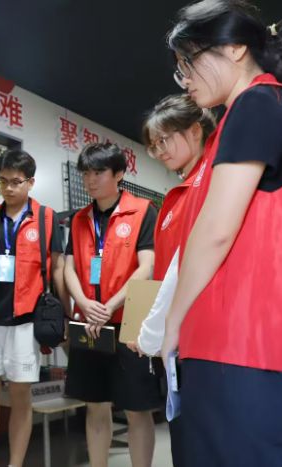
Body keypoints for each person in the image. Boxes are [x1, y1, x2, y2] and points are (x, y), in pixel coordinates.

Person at [160, 2, 282, 466]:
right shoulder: (258, 109)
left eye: (189, 62)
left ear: (236, 48)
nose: (184, 79)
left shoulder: (258, 103)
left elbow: (216, 230)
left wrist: (172, 322)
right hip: (249, 345)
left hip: (240, 344)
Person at [126, 94, 216, 467]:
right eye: (154, 144)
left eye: (165, 139)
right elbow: (165, 273)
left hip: (202, 336)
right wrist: (146, 328)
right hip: (175, 339)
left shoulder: (210, 182)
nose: (159, 150)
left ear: (195, 131)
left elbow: (186, 269)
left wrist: (149, 332)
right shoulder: (176, 194)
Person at [0, 149, 68, 467]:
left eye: (16, 182)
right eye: (3, 181)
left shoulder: (47, 218)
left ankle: (15, 464)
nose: (8, 188)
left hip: (26, 319)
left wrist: (65, 315)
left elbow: (57, 270)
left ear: (30, 182)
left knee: (21, 397)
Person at [64, 142, 161, 467]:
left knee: (137, 409)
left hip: (129, 323)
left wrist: (110, 305)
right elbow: (68, 268)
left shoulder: (143, 210)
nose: (90, 180)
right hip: (90, 323)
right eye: (86, 173)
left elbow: (147, 266)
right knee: (95, 405)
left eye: (99, 172)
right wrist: (84, 303)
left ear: (118, 173)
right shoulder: (79, 219)